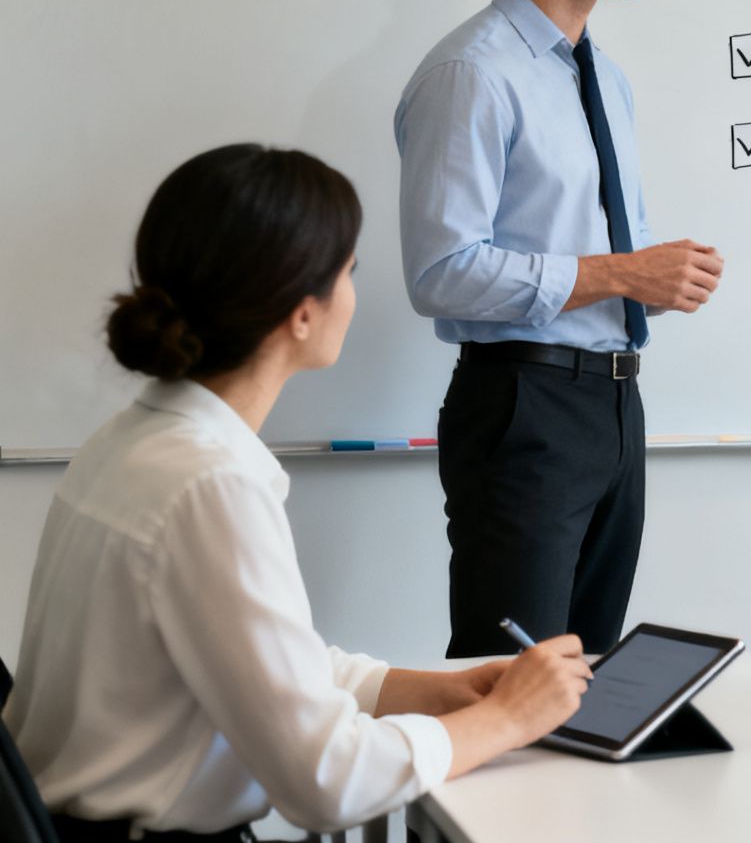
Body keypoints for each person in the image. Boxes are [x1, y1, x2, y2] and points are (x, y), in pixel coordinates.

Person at [1, 145, 591, 842]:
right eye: (350, 272)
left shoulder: (132, 444)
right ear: (301, 314)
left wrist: (440, 693)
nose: (354, 292)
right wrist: (506, 721)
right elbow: (328, 783)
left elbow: (266, 666)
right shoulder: (208, 486)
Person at [395, 0, 725, 657]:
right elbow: (441, 273)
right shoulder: (472, 73)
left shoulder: (601, 77)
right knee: (513, 681)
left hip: (615, 404)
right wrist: (621, 272)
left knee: (588, 684)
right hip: (523, 407)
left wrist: (654, 279)